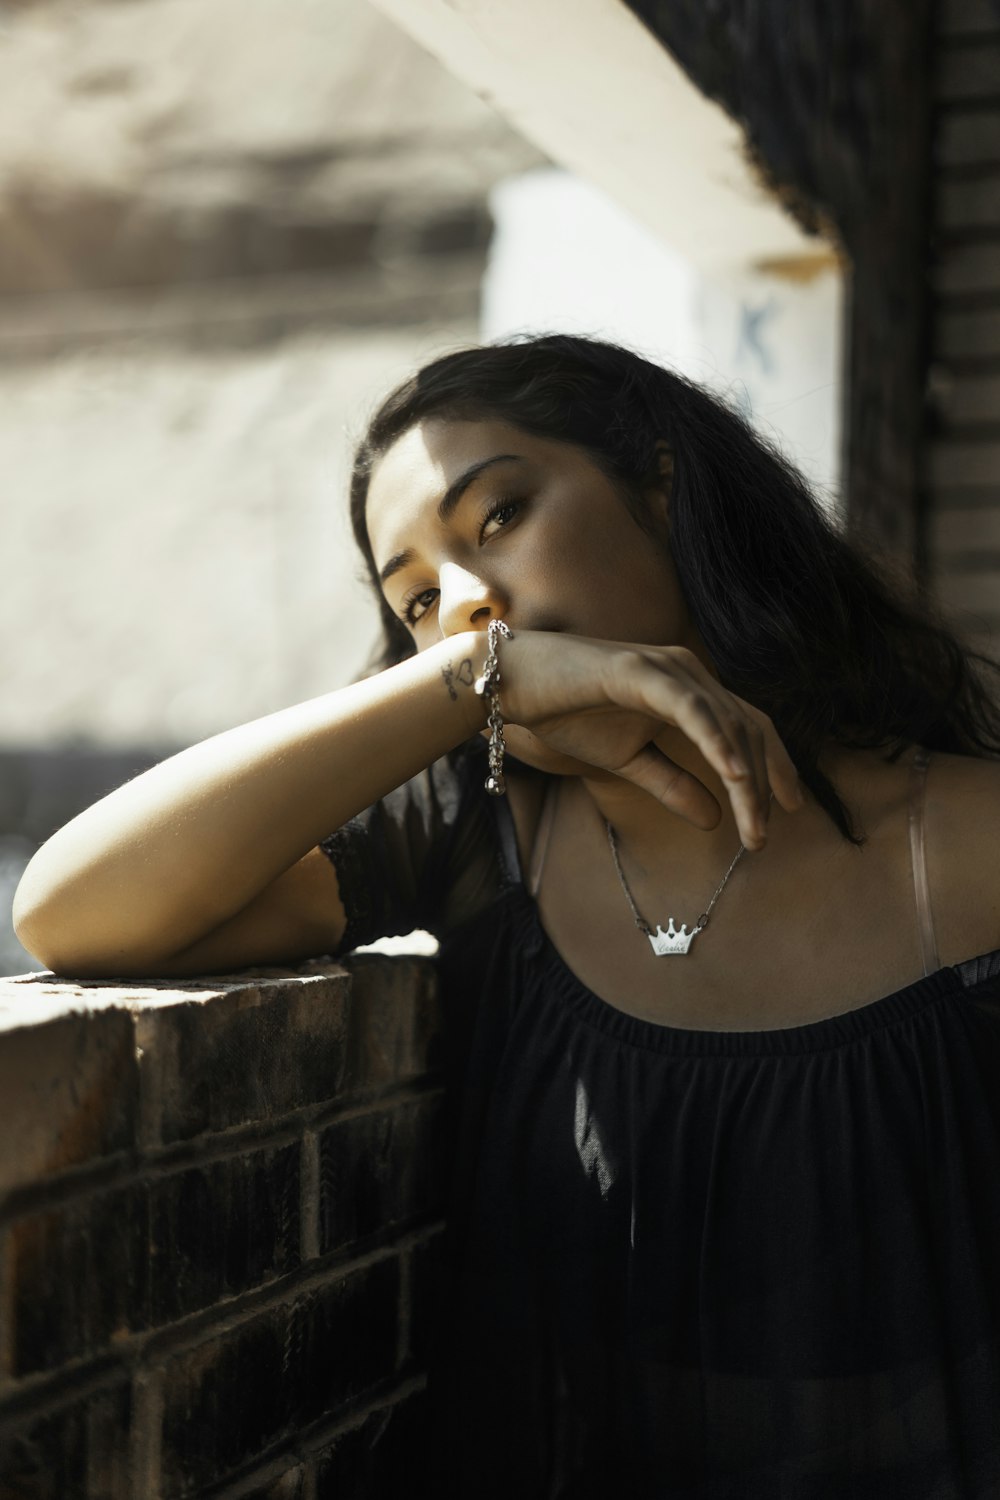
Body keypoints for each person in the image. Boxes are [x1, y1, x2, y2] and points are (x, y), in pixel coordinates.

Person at [13, 333, 1000, 1496]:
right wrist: (464, 686)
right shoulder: (476, 837)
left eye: (498, 517)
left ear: (661, 484)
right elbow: (71, 913)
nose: (469, 604)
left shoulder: (967, 839)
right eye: (420, 600)